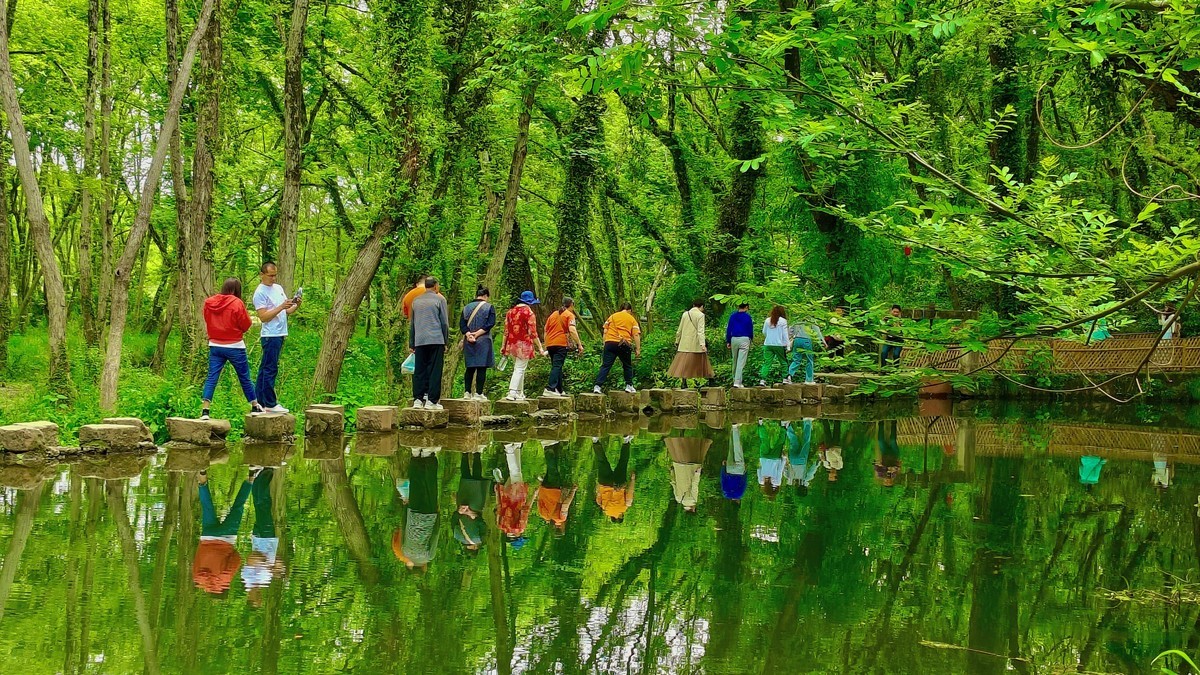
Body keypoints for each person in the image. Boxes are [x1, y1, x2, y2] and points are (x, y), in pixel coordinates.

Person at [200, 278, 265, 419]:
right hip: (235, 346)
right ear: (237, 290)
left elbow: (207, 319)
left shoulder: (209, 302)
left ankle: (205, 410)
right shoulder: (237, 303)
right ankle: (255, 406)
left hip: (215, 345)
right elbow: (246, 324)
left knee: (212, 377)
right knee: (244, 377)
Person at [193, 468, 256, 594]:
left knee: (238, 506)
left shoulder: (224, 580)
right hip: (207, 536)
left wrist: (230, 551)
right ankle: (202, 476)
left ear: (224, 589)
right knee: (207, 506)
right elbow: (195, 559)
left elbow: (236, 560)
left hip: (226, 538)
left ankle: (251, 476)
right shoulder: (198, 578)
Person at [253, 262, 300, 413]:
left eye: (275, 275)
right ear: (262, 275)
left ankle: (259, 403)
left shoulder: (278, 288)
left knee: (265, 369)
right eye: (270, 275)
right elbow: (263, 317)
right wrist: (280, 306)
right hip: (270, 335)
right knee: (270, 369)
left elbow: (288, 311)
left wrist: (295, 304)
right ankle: (270, 403)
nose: (273, 278)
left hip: (280, 333)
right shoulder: (259, 293)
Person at [393, 448, 440, 572]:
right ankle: (415, 456)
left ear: (423, 567)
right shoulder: (405, 552)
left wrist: (438, 517)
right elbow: (403, 527)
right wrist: (405, 509)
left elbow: (435, 535)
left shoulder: (428, 557)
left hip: (429, 516)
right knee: (415, 485)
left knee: (430, 486)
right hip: (412, 514)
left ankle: (428, 456)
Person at [242, 467, 284, 605]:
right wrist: (277, 568)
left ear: (250, 597)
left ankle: (263, 474)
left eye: (256, 599)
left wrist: (265, 563)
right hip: (269, 539)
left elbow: (252, 557)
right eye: (260, 600)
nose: (259, 597)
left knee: (262, 504)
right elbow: (277, 561)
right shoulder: (265, 581)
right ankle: (263, 474)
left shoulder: (247, 578)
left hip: (260, 538)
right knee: (262, 505)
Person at [410, 277, 450, 410]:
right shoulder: (440, 300)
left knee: (419, 370)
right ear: (436, 286)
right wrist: (445, 340)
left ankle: (417, 399)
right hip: (436, 339)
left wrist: (412, 343)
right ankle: (432, 401)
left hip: (420, 339)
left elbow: (413, 323)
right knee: (434, 370)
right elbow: (444, 322)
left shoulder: (416, 301)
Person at [500, 290, 547, 401]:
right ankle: (512, 392)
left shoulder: (510, 312)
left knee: (519, 368)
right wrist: (540, 348)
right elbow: (533, 333)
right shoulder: (528, 313)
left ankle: (519, 393)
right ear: (530, 302)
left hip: (511, 344)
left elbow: (506, 331)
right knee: (519, 369)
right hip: (523, 345)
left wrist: (503, 345)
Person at [593, 302, 642, 394]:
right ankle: (629, 385)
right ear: (629, 310)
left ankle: (597, 386)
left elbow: (605, 331)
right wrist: (638, 349)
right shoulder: (631, 319)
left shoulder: (612, 317)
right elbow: (636, 334)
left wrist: (605, 343)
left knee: (605, 366)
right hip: (623, 344)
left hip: (610, 343)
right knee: (627, 366)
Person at [494, 442, 535, 546]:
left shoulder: (519, 528)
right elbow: (499, 507)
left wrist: (534, 495)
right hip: (504, 496)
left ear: (517, 537)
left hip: (517, 497)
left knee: (515, 473)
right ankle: (517, 447)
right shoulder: (500, 525)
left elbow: (526, 509)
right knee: (516, 473)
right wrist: (497, 492)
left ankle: (509, 449)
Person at [667, 300, 714, 388]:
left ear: (693, 305)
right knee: (702, 362)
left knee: (684, 363)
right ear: (702, 306)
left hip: (684, 343)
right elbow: (701, 331)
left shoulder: (685, 314)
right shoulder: (701, 315)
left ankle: (684, 382)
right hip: (695, 343)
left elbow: (679, 330)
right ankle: (710, 380)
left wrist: (677, 341)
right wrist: (703, 344)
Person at [460, 287, 497, 401]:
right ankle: (478, 393)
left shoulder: (466, 308)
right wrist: (478, 334)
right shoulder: (489, 307)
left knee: (470, 367)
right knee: (482, 367)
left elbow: (462, 324)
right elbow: (491, 323)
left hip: (469, 340)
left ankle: (467, 392)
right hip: (484, 340)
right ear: (485, 296)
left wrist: (468, 334)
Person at [543, 297, 584, 398]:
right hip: (560, 343)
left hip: (550, 343)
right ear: (571, 305)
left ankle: (559, 389)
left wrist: (546, 344)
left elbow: (545, 330)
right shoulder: (569, 315)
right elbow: (572, 330)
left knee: (557, 366)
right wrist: (579, 344)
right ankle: (550, 388)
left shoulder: (553, 314)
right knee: (557, 366)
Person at [453, 452, 490, 552]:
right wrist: (460, 512)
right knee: (465, 475)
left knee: (477, 476)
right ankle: (464, 454)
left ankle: (477, 454)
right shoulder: (457, 536)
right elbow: (454, 519)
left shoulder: (480, 539)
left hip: (476, 507)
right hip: (462, 506)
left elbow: (482, 524)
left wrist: (472, 515)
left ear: (474, 548)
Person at [538, 441, 577, 534]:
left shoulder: (561, 518)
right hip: (543, 489)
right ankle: (554, 446)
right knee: (550, 469)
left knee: (553, 469)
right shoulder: (545, 516)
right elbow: (539, 502)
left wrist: (573, 491)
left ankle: (547, 448)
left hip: (554, 491)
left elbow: (565, 504)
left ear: (562, 528)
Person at [595, 435, 636, 522]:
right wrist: (599, 483)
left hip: (619, 484)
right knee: (602, 461)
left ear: (620, 517)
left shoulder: (623, 508)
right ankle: (595, 440)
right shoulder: (604, 508)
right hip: (605, 483)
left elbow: (629, 496)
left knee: (623, 462)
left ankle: (626, 441)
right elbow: (598, 494)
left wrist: (632, 480)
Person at [667, 436, 711, 513]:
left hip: (691, 466)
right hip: (678, 466)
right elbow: (673, 482)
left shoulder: (693, 500)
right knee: (679, 445)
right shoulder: (678, 499)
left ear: (693, 510)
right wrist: (672, 471)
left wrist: (698, 473)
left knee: (695, 445)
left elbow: (694, 485)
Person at [783, 419, 817, 495]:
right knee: (794, 442)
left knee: (806, 442)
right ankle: (788, 426)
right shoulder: (790, 480)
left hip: (802, 460)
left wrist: (818, 462)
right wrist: (785, 458)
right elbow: (785, 469)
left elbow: (812, 470)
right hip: (793, 460)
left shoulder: (805, 480)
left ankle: (807, 421)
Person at [758, 305, 790, 386]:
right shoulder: (783, 321)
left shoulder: (767, 320)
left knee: (767, 363)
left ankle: (762, 379)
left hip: (768, 344)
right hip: (779, 344)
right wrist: (788, 345)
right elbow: (785, 334)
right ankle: (785, 378)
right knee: (783, 362)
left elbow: (764, 332)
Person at [788, 317, 824, 385]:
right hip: (806, 340)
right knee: (809, 360)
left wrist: (789, 338)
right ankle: (809, 380)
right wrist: (822, 342)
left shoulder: (797, 319)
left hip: (797, 340)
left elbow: (790, 330)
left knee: (796, 360)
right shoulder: (811, 320)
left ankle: (788, 376)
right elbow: (817, 331)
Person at [725, 303, 754, 388]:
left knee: (735, 360)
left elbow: (729, 328)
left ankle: (736, 380)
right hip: (745, 339)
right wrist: (751, 339)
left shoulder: (733, 316)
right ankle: (737, 382)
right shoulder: (747, 317)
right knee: (741, 362)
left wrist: (728, 340)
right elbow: (750, 329)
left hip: (734, 339)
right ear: (746, 307)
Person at [757, 419, 784, 499]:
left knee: (780, 443)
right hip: (764, 459)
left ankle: (783, 426)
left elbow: (780, 470)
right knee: (764, 440)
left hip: (775, 459)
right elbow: (758, 469)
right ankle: (760, 423)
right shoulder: (761, 481)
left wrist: (784, 459)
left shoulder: (777, 482)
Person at [721, 424, 748, 502]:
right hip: (729, 470)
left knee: (737, 448)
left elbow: (744, 482)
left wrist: (746, 470)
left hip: (739, 471)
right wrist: (723, 468)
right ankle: (733, 430)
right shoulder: (726, 494)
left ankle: (735, 428)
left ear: (738, 502)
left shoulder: (740, 494)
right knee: (731, 448)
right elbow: (723, 480)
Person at [874, 419, 902, 487]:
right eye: (889, 482)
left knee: (880, 440)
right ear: (892, 481)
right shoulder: (894, 475)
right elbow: (899, 465)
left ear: (883, 482)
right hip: (894, 454)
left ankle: (881, 422)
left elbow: (875, 465)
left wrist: (880, 464)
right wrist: (893, 468)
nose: (887, 481)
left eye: (886, 482)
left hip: (885, 453)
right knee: (892, 440)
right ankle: (893, 422)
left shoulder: (880, 474)